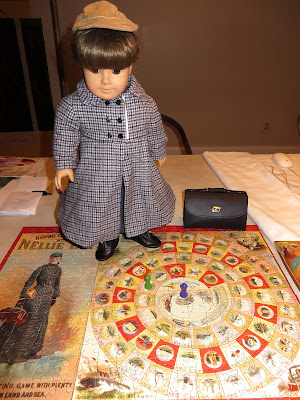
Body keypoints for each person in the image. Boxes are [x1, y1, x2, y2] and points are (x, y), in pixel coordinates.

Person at [53, 1, 175, 261]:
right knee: (102, 205)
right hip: (96, 170)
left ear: (131, 67)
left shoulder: (143, 102)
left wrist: (158, 148)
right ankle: (107, 238)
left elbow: (154, 125)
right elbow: (65, 133)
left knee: (140, 199)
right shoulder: (74, 106)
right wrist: (64, 163)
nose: (105, 80)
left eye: (116, 71)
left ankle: (139, 229)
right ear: (82, 66)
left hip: (139, 166)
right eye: (94, 70)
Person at [0, 253, 62, 364]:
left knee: (41, 324)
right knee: (28, 323)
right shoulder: (42, 268)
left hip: (46, 300)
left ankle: (31, 351)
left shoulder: (58, 270)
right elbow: (29, 281)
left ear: (59, 259)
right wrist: (23, 297)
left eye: (56, 258)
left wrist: (55, 296)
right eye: (52, 257)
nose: (53, 259)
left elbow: (56, 284)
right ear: (49, 258)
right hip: (35, 297)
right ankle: (15, 352)